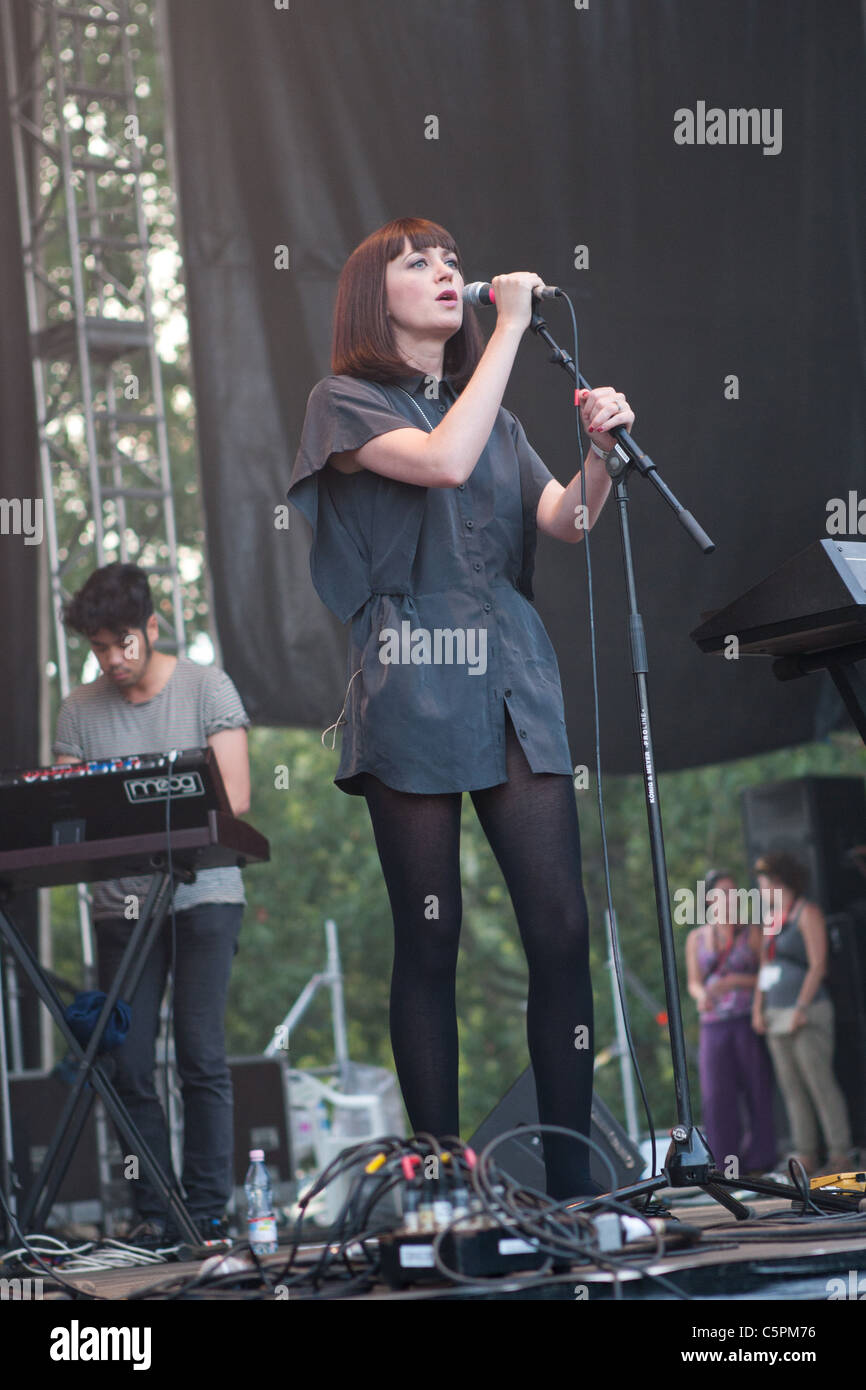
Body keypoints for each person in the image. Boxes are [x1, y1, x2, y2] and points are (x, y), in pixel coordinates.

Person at [288, 217, 634, 1200]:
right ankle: (441, 1178)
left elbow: (563, 520)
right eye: (416, 262)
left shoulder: (497, 420)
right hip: (411, 677)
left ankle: (575, 1188)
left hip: (513, 672)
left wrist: (600, 454)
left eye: (449, 258)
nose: (445, 271)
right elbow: (440, 460)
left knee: (559, 925)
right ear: (371, 295)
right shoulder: (342, 402)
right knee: (428, 931)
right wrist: (515, 329)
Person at [53, 562, 251, 1243]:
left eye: (122, 643)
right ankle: (155, 1216)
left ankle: (205, 1213)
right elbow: (64, 815)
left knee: (200, 1051)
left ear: (153, 627)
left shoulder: (207, 687)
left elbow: (237, 800)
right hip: (122, 910)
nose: (111, 659)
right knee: (128, 1063)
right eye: (99, 648)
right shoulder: (77, 712)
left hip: (205, 899)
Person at [751, 851, 854, 1177]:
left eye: (765, 881)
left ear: (779, 881)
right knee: (792, 1088)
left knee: (819, 1083)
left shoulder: (807, 912)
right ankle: (806, 1153)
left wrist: (801, 1007)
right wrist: (758, 1006)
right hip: (776, 1012)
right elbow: (765, 967)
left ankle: (840, 1152)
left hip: (806, 1011)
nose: (761, 886)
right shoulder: (770, 917)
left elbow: (818, 964)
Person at [685, 869, 776, 1177]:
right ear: (710, 898)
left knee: (756, 1088)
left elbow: (766, 975)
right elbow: (694, 982)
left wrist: (737, 980)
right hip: (713, 1023)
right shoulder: (696, 938)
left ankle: (761, 1160)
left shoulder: (751, 932)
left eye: (734, 892)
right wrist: (701, 996)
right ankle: (727, 1166)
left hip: (745, 1018)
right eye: (723, 892)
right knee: (716, 1095)